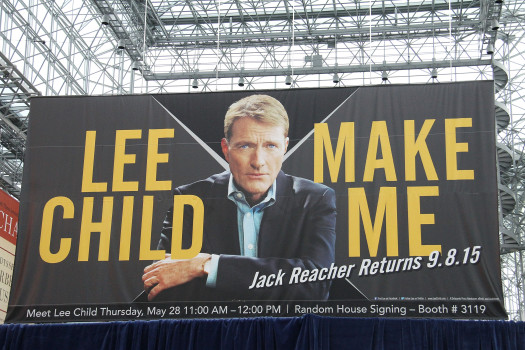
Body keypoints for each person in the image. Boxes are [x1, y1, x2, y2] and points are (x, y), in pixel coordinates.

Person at [141, 94, 336, 301]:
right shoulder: (190, 199)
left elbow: (316, 285)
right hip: (214, 332)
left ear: (285, 147)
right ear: (226, 149)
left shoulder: (315, 199)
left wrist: (208, 265)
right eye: (245, 146)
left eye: (271, 146)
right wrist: (277, 282)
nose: (258, 161)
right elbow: (163, 284)